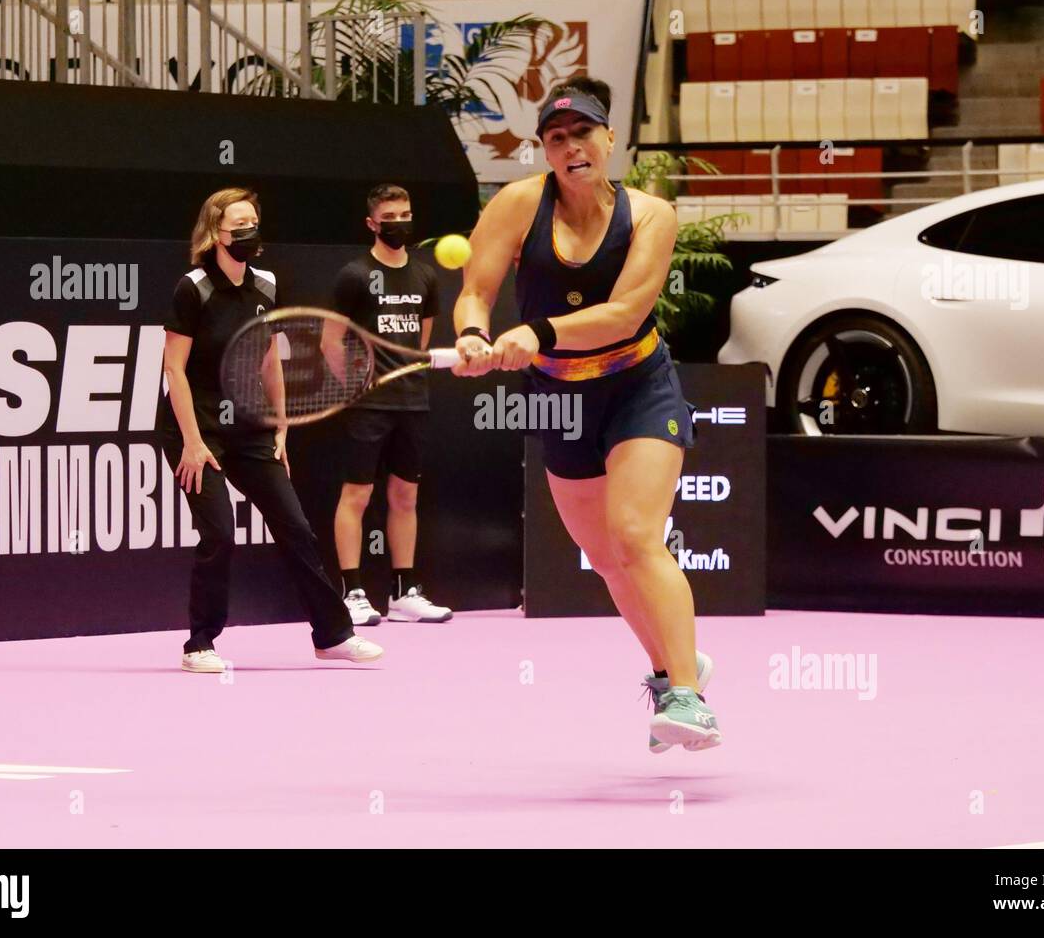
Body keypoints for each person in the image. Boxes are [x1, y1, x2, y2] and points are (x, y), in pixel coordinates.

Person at [451, 77, 720, 751]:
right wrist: (473, 337)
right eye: (556, 138)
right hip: (559, 399)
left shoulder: (651, 215)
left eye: (582, 134)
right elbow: (475, 291)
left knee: (634, 535)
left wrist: (537, 332)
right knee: (603, 558)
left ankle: (690, 699)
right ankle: (669, 670)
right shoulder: (517, 205)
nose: (571, 147)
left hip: (637, 386)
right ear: (545, 150)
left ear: (610, 139)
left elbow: (625, 312)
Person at [159, 187, 384, 672]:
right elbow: (173, 369)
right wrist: (194, 444)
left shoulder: (266, 285)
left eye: (253, 224)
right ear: (215, 234)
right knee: (219, 534)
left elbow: (268, 362)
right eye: (238, 226)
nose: (248, 234)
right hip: (197, 432)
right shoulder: (192, 288)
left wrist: (281, 428)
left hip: (250, 428)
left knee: (297, 529)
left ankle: (332, 635)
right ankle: (199, 643)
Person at [329, 183, 453, 626]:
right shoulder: (354, 275)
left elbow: (420, 341)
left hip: (412, 401)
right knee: (357, 495)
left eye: (406, 215)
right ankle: (353, 593)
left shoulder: (424, 276)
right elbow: (331, 343)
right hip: (367, 405)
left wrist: (408, 376)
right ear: (372, 224)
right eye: (390, 217)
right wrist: (355, 388)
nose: (399, 223)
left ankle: (403, 593)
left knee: (405, 495)